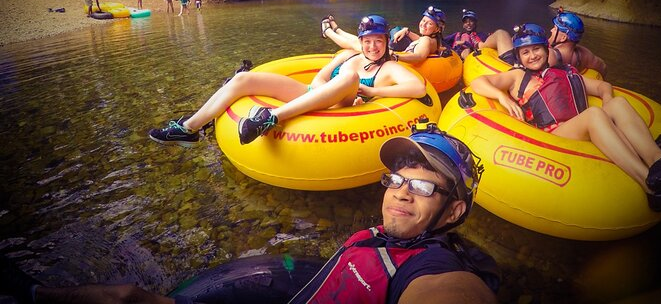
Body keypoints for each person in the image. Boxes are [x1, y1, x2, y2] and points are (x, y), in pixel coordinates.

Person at [21, 123, 499, 304]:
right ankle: (35, 293)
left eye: (421, 186)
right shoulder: (393, 237)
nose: (400, 193)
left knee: (127, 298)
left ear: (454, 209)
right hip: (300, 289)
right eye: (396, 179)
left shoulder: (436, 270)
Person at [469, 23, 661, 213]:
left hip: (583, 126)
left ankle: (660, 160)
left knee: (616, 103)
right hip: (555, 136)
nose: (532, 56)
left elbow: (603, 87)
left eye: (536, 49)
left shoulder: (566, 73)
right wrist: (504, 99)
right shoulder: (516, 77)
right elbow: (479, 82)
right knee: (594, 114)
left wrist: (609, 105)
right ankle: (651, 185)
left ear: (546, 49)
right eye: (525, 52)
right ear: (519, 57)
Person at [148, 14, 428, 145]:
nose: (372, 47)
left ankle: (272, 118)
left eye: (378, 41)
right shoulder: (348, 55)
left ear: (385, 42)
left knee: (350, 78)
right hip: (313, 95)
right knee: (244, 79)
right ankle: (188, 128)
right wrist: (319, 89)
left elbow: (418, 87)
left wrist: (369, 92)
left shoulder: (388, 67)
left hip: (340, 110)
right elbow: (320, 77)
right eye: (367, 42)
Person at [481, 9, 607, 78]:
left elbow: (525, 72)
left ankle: (480, 46)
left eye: (555, 28)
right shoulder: (584, 54)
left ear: (563, 37)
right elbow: (602, 66)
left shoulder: (550, 55)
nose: (551, 30)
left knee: (501, 33)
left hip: (516, 63)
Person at [322, 6, 446, 65]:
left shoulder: (426, 41)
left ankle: (328, 32)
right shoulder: (432, 40)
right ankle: (337, 30)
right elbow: (421, 42)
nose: (423, 24)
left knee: (356, 43)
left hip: (387, 57)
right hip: (392, 54)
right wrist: (407, 31)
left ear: (437, 28)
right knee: (358, 40)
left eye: (429, 23)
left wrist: (396, 57)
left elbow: (419, 56)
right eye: (423, 20)